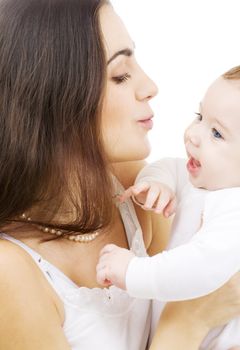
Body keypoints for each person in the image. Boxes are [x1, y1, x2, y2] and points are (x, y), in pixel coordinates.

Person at [0, 1, 240, 349]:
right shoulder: (11, 274)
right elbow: (176, 316)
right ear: (54, 99)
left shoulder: (136, 191)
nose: (150, 86)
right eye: (121, 75)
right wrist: (190, 318)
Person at [96, 65, 240, 349]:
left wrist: (132, 272)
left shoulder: (234, 210)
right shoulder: (206, 181)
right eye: (199, 117)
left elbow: (198, 267)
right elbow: (168, 168)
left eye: (217, 134)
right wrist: (157, 183)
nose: (193, 135)